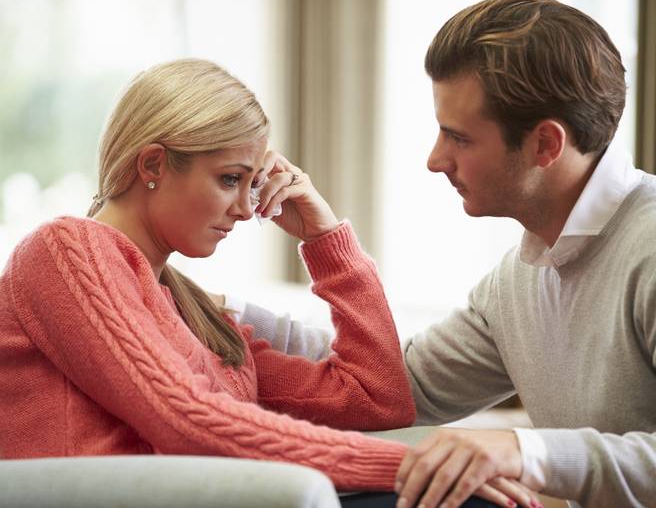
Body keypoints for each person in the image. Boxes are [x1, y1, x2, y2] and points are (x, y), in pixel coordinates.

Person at [230, 0, 656, 506]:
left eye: (459, 138)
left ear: (546, 144)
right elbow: (390, 383)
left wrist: (526, 451)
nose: (435, 160)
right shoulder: (526, 274)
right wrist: (220, 315)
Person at [0, 58, 424, 496]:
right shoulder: (62, 251)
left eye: (252, 185)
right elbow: (185, 419)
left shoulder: (203, 321)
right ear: (153, 165)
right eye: (229, 179)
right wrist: (409, 466)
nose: (245, 209)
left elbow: (377, 399)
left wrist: (325, 238)